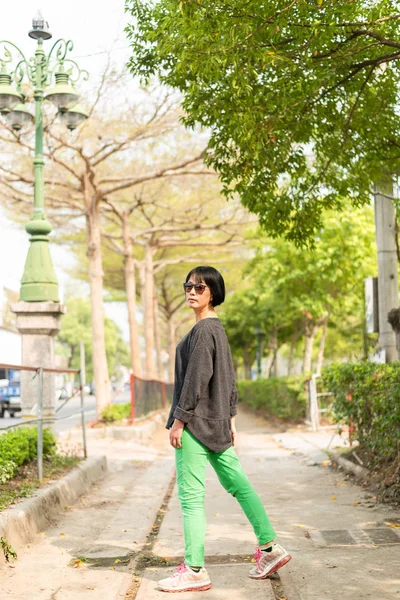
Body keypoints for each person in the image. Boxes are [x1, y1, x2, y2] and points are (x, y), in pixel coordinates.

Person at [158, 266, 291, 593]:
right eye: (187, 286)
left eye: (199, 288)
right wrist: (230, 420)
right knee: (240, 486)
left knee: (191, 499)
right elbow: (228, 379)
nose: (191, 291)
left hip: (195, 426)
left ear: (213, 294)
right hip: (216, 425)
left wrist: (178, 420)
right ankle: (271, 549)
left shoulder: (204, 330)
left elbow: (197, 379)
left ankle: (194, 570)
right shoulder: (217, 329)